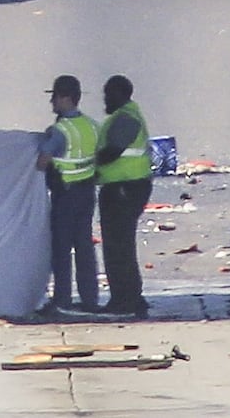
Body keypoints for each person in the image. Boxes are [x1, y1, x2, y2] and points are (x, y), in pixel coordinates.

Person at [35, 75, 100, 314]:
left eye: (54, 97)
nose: (52, 102)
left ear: (65, 98)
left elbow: (42, 163)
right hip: (86, 192)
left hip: (66, 194)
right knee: (84, 246)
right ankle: (90, 297)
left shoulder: (60, 131)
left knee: (61, 249)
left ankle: (62, 299)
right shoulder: (92, 126)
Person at [94, 75, 154, 318]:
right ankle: (129, 297)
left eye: (108, 94)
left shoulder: (125, 118)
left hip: (124, 188)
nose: (105, 99)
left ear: (120, 94)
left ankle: (125, 299)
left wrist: (89, 164)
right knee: (120, 245)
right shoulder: (127, 116)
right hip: (127, 187)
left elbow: (112, 152)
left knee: (118, 246)